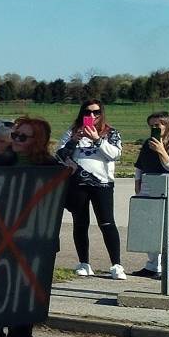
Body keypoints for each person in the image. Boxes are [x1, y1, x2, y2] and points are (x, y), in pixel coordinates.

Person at [0, 117, 60, 337]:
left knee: (24, 299)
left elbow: (64, 202)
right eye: (15, 135)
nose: (15, 140)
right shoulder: (1, 163)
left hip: (32, 243)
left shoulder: (50, 167)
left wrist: (71, 176)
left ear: (38, 140)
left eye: (22, 137)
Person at [57, 99, 125, 279]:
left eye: (96, 112)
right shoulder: (72, 132)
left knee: (107, 223)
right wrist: (73, 141)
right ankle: (84, 263)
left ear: (102, 114)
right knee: (80, 223)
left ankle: (116, 264)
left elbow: (115, 155)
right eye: (87, 112)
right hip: (77, 183)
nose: (92, 116)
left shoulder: (111, 132)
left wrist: (97, 139)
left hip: (102, 183)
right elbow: (59, 155)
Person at [134, 111, 169, 280]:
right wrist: (138, 182)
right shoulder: (147, 143)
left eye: (158, 125)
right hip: (149, 184)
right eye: (152, 126)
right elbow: (139, 165)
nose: (155, 128)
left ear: (168, 125)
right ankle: (153, 265)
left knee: (168, 229)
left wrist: (161, 150)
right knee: (150, 227)